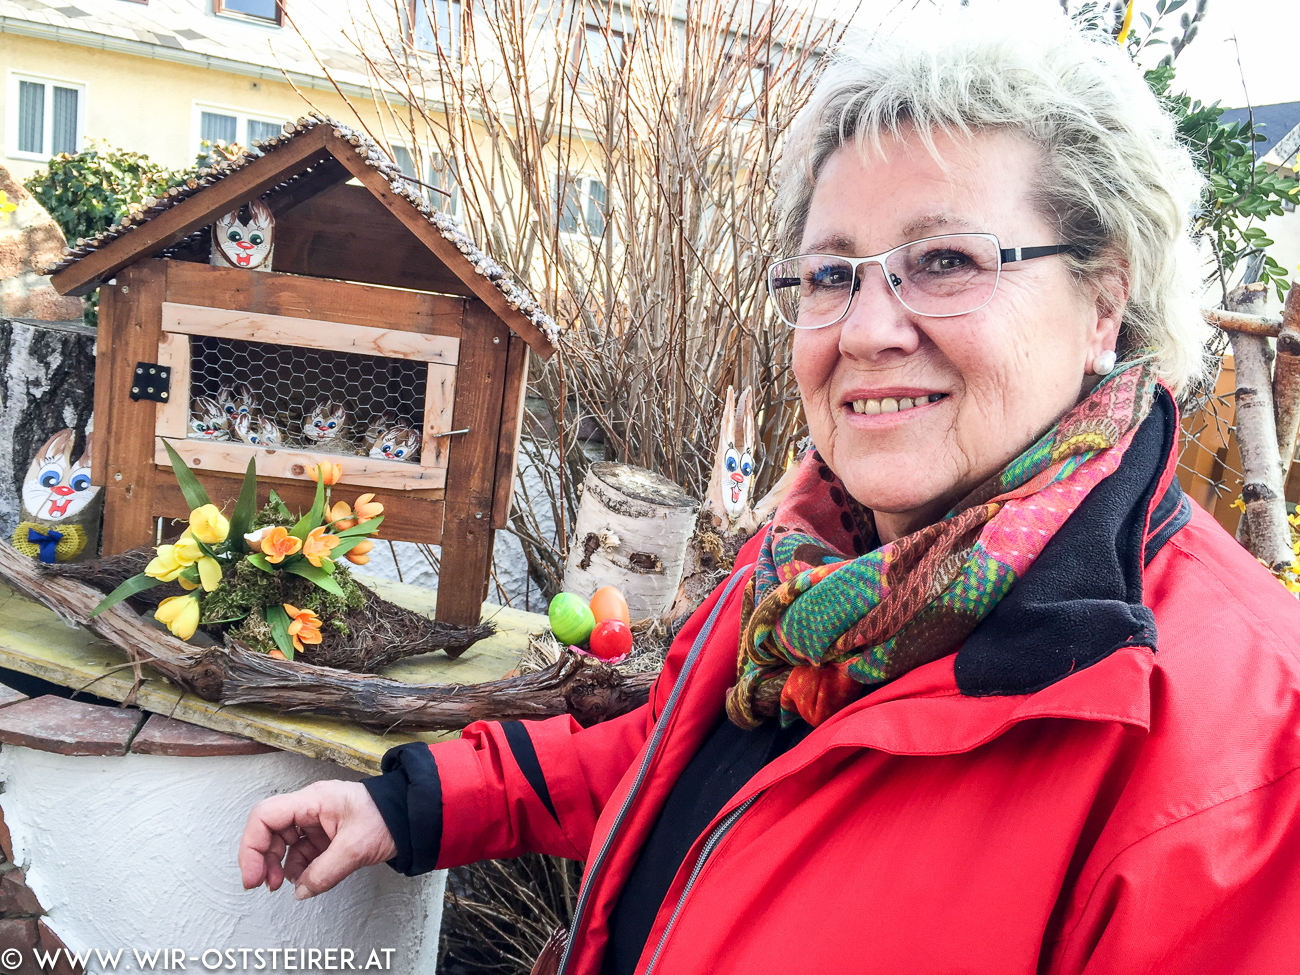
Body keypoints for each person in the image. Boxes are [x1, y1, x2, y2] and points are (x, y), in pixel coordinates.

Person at [239, 14, 1300, 974]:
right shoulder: (812, 570)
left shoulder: (1250, 762)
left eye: (944, 260)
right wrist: (414, 806)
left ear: (1103, 302)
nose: (869, 329)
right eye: (832, 273)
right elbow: (674, 761)